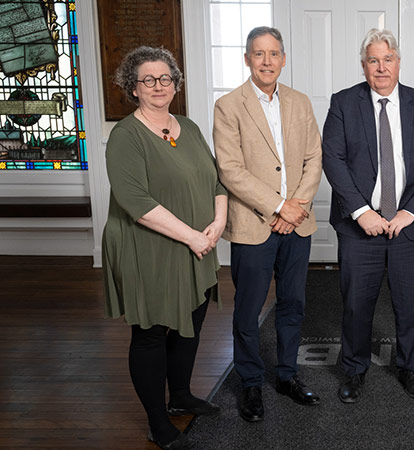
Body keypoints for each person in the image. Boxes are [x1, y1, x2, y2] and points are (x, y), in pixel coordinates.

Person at [103, 46, 227, 450]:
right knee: (152, 333)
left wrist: (218, 223)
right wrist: (193, 236)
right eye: (148, 80)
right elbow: (135, 201)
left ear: (175, 83)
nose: (159, 86)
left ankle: (181, 397)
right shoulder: (125, 135)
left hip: (198, 245)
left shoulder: (187, 126)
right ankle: (158, 421)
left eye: (165, 79)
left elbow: (215, 181)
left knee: (190, 321)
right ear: (133, 87)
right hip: (149, 248)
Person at [322, 28, 414, 403]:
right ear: (364, 65)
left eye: (387, 59)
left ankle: (409, 368)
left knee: (410, 305)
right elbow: (333, 159)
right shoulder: (343, 103)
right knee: (356, 305)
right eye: (373, 60)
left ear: (398, 63)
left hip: (407, 226)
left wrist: (411, 212)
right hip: (360, 227)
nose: (381, 68)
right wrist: (361, 212)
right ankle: (355, 370)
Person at [214, 26, 323, 422]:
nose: (266, 61)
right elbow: (230, 170)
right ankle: (250, 384)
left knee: (293, 304)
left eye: (273, 54)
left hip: (298, 225)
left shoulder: (300, 101)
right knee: (248, 309)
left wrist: (297, 207)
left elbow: (315, 158)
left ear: (283, 58)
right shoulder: (228, 106)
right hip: (254, 225)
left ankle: (287, 375)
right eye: (258, 54)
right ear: (247, 59)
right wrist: (278, 207)